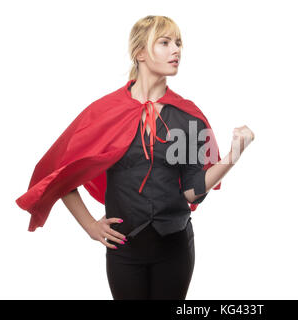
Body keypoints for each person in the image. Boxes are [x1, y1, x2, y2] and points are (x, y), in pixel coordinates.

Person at [60, 15, 255, 300]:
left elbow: (192, 193)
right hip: (124, 250)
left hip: (174, 249)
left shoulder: (188, 116)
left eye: (178, 43)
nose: (176, 50)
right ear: (140, 53)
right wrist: (90, 225)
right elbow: (62, 175)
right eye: (165, 42)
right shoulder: (104, 113)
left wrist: (233, 154)